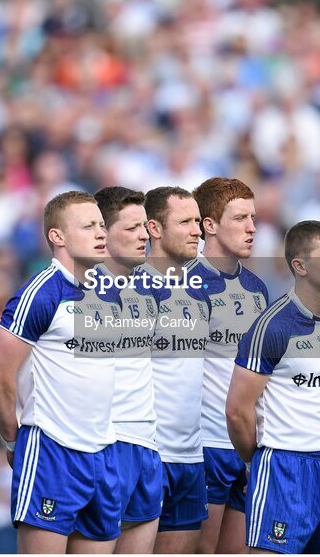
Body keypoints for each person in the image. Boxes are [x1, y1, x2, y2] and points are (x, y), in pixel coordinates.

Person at [0, 191, 123, 553]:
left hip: (103, 452)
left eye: (102, 225)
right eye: (89, 225)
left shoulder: (108, 293)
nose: (101, 233)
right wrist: (15, 440)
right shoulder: (40, 292)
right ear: (57, 237)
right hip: (51, 451)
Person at [226, 220, 320, 554]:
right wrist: (258, 461)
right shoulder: (273, 326)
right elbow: (237, 410)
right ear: (300, 266)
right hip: (285, 467)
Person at [188, 178, 269, 554]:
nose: (252, 227)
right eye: (240, 218)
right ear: (210, 225)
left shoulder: (257, 287)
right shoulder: (186, 283)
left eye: (254, 218)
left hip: (248, 445)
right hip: (205, 443)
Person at [140, 186, 211, 553]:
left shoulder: (199, 293)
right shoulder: (132, 291)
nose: (197, 230)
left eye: (197, 221)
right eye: (185, 222)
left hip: (191, 455)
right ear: (154, 228)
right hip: (147, 454)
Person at [92, 186, 161, 554]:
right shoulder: (78, 291)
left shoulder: (149, 288)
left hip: (147, 444)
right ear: (103, 234)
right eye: (131, 228)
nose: (143, 236)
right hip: (105, 443)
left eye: (144, 227)